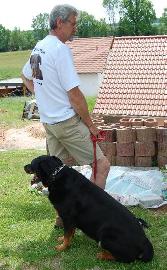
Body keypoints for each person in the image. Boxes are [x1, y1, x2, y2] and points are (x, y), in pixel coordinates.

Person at [21, 4, 110, 226]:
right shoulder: (60, 50)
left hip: (50, 123)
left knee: (58, 171)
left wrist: (43, 97)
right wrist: (90, 125)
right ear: (59, 22)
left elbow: (25, 76)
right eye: (73, 23)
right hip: (66, 122)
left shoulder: (39, 47)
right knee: (102, 165)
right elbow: (75, 95)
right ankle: (95, 216)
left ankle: (62, 218)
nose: (75, 28)